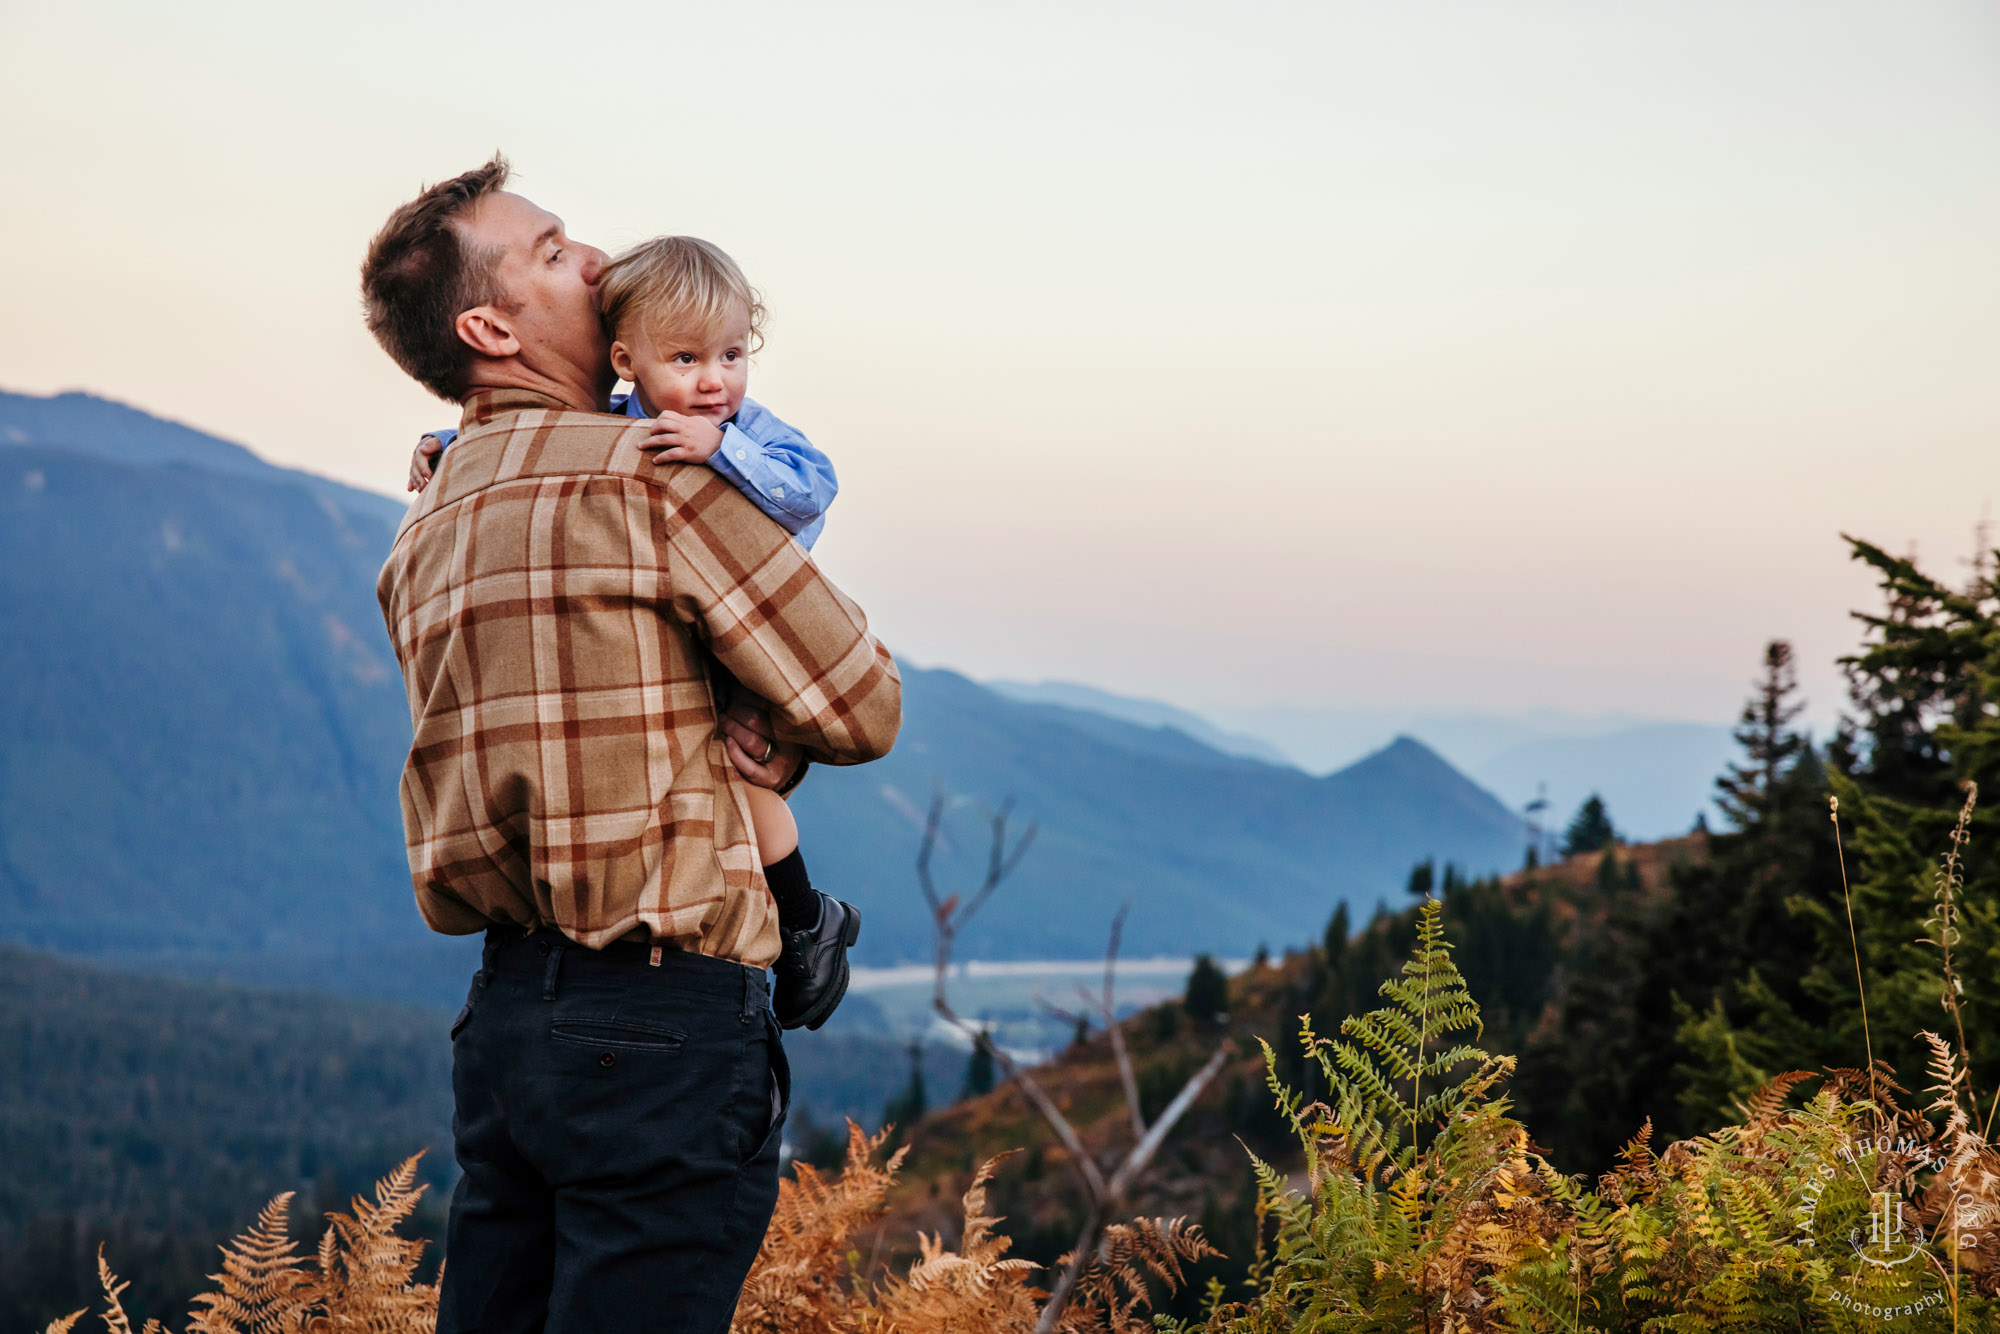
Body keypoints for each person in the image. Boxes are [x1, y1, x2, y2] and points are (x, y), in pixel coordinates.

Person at [362, 155, 901, 1333]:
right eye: (553, 250)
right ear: (488, 324)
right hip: (659, 1025)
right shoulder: (653, 476)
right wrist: (780, 741)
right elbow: (862, 700)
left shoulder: (422, 526)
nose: (596, 258)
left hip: (505, 1022)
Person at [408, 236, 851, 1029]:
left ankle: (802, 918)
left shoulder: (741, 428)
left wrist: (727, 451)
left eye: (731, 354)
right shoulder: (616, 432)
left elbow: (812, 488)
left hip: (744, 629)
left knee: (747, 779)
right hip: (685, 640)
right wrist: (444, 446)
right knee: (723, 783)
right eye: (685, 359)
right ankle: (809, 920)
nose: (713, 380)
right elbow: (537, 442)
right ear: (627, 362)